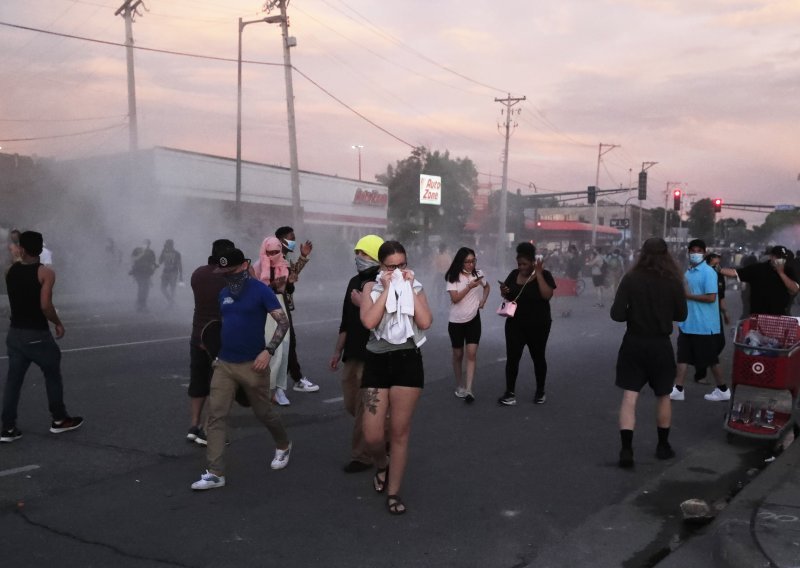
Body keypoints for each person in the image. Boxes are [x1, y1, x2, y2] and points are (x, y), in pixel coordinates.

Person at [190, 247, 293, 490]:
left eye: (232, 270)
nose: (227, 275)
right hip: (225, 364)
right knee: (216, 416)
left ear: (245, 266)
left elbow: (283, 321)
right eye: (223, 271)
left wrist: (268, 351)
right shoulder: (223, 293)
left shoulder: (260, 291)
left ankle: (283, 444)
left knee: (264, 413)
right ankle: (215, 473)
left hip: (253, 365)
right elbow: (224, 325)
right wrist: (213, 349)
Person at [360, 240, 432, 515]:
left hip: (407, 362)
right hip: (376, 361)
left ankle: (394, 492)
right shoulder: (370, 288)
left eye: (402, 265)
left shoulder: (416, 287)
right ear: (381, 266)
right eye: (391, 267)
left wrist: (409, 289)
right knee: (372, 436)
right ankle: (381, 464)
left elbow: (425, 322)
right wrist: (388, 288)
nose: (398, 270)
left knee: (400, 432)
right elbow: (369, 322)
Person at [611, 237, 687, 468]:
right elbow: (681, 315)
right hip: (660, 345)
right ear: (667, 255)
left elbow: (616, 314)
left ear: (642, 254)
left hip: (634, 343)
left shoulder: (631, 278)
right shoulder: (673, 280)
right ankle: (663, 446)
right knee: (663, 395)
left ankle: (626, 449)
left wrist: (633, 313)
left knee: (629, 396)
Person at [1, 231, 83, 443]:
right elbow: (45, 305)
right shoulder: (45, 273)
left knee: (13, 381)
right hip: (36, 333)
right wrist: (57, 322)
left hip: (15, 333)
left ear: (22, 248)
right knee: (52, 373)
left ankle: (8, 427)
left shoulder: (10, 271)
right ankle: (59, 418)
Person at [329, 234, 386, 473]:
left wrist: (362, 302)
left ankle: (361, 455)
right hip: (352, 352)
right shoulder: (354, 281)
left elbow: (383, 318)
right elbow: (346, 321)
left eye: (363, 254)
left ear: (374, 256)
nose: (358, 258)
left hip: (372, 352)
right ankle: (382, 430)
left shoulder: (382, 282)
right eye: (357, 254)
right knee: (352, 403)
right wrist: (337, 350)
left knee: (364, 405)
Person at [669, 240, 731, 402]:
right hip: (688, 323)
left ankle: (723, 389)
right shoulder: (688, 272)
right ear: (688, 252)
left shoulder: (708, 272)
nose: (695, 253)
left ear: (704, 252)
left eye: (699, 251)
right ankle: (678, 388)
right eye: (693, 250)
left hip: (704, 325)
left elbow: (711, 298)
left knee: (711, 360)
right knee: (682, 357)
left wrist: (689, 296)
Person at [186, 238, 234, 446]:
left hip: (197, 337)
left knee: (198, 382)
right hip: (218, 340)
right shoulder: (228, 279)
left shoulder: (198, 273)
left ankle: (194, 426)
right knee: (219, 387)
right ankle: (208, 430)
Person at [497, 242, 556, 406]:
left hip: (539, 325)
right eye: (519, 264)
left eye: (524, 264)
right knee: (512, 358)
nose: (521, 267)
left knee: (538, 357)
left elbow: (547, 295)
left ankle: (540, 391)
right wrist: (504, 291)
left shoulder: (545, 274)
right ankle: (509, 393)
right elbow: (509, 297)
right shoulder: (514, 274)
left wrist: (538, 274)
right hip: (514, 324)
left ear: (532, 262)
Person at [274, 226, 320, 396]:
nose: (293, 241)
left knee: (286, 344)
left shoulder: (284, 258)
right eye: (290, 238)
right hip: (277, 306)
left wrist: (303, 256)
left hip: (283, 306)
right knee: (285, 344)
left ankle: (284, 382)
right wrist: (289, 283)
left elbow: (292, 274)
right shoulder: (274, 259)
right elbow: (282, 282)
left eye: (294, 238)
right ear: (280, 240)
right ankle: (291, 380)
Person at [445, 247, 490, 403]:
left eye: (473, 261)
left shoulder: (479, 274)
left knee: (471, 354)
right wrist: (469, 287)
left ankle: (469, 389)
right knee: (458, 355)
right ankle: (460, 385)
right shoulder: (453, 276)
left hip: (473, 319)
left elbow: (487, 286)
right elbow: (455, 298)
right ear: (461, 262)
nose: (471, 264)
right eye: (468, 261)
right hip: (456, 321)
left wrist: (483, 300)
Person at [256, 236, 292, 406]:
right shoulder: (257, 266)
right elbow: (255, 289)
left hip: (280, 307)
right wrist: (270, 287)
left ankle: (279, 389)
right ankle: (264, 388)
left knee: (283, 348)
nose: (272, 256)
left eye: (276, 252)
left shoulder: (285, 266)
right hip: (264, 309)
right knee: (266, 348)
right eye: (269, 252)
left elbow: (288, 286)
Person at [719, 245, 799, 316]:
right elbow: (735, 273)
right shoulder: (758, 268)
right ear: (771, 257)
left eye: (782, 257)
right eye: (777, 257)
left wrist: (781, 273)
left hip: (779, 315)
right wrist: (717, 270)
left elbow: (794, 289)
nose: (780, 260)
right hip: (758, 314)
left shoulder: (788, 271)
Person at [693, 252, 730, 384]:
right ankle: (700, 373)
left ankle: (703, 360)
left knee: (720, 342)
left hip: (715, 313)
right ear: (709, 260)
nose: (719, 259)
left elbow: (721, 296)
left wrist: (725, 313)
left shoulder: (719, 275)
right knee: (705, 342)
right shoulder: (701, 274)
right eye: (716, 257)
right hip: (703, 312)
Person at [130, 239, 157, 312]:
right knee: (141, 287)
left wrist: (152, 272)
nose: (146, 245)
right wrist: (141, 254)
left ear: (149, 245)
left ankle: (142, 303)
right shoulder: (137, 250)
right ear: (142, 243)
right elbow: (133, 259)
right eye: (145, 244)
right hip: (138, 272)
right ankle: (140, 304)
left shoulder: (151, 252)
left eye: (148, 244)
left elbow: (153, 263)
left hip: (147, 273)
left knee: (146, 288)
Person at [158, 239, 183, 306]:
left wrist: (181, 275)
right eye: (166, 244)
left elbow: (179, 264)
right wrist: (163, 252)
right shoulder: (164, 252)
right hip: (165, 272)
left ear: (171, 245)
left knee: (172, 288)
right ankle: (171, 301)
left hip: (173, 272)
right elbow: (160, 261)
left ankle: (171, 303)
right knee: (163, 288)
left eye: (168, 244)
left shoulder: (177, 253)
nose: (167, 245)